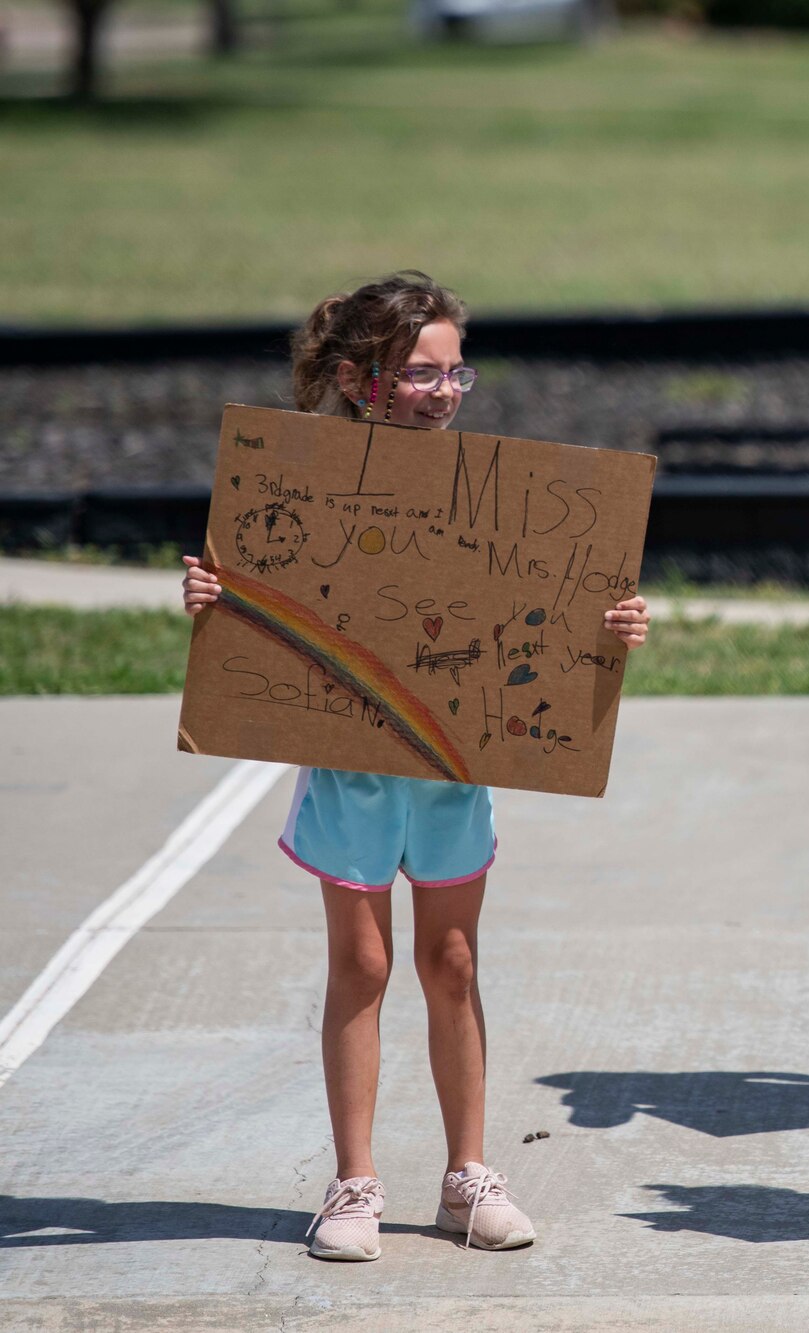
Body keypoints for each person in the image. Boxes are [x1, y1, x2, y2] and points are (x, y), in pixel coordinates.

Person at [181, 271, 652, 1261]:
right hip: (349, 766)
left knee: (452, 961)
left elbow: (550, 604)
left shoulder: (496, 489)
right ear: (361, 380)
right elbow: (262, 588)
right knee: (361, 962)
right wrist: (215, 600)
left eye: (455, 373)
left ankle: (466, 1176)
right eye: (421, 373)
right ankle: (354, 1183)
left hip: (452, 763)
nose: (443, 391)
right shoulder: (302, 478)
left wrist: (611, 625)